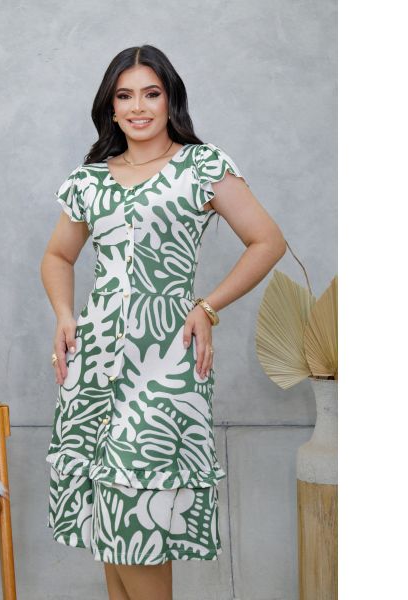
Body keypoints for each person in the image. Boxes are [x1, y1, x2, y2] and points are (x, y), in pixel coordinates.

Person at [40, 44, 286, 600]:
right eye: (125, 96)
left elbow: (267, 241)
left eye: (150, 93)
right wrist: (64, 315)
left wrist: (208, 306)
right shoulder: (89, 181)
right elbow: (57, 257)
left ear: (170, 98)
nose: (138, 107)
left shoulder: (202, 166)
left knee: (138, 515)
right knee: (108, 515)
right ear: (110, 106)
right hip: (94, 361)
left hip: (166, 360)